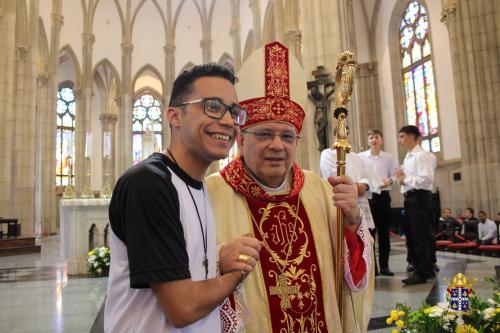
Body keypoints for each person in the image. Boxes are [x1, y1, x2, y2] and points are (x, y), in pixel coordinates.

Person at [206, 41, 372, 333]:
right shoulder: (210, 195)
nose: (277, 145)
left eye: (287, 136)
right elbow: (181, 281)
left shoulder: (320, 191)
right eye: (265, 134)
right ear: (241, 140)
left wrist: (352, 221)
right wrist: (217, 259)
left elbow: (354, 277)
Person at [104, 64, 263, 332]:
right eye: (213, 106)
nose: (227, 121)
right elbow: (182, 307)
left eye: (234, 112)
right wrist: (238, 272)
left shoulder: (199, 186)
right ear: (175, 116)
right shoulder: (149, 183)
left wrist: (220, 260)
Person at [395, 125, 436, 285]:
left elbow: (426, 179)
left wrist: (405, 179)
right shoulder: (409, 156)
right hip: (411, 198)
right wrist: (401, 177)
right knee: (413, 236)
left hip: (419, 198)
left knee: (420, 236)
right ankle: (425, 267)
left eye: (402, 136)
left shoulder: (421, 156)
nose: (400, 140)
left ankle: (422, 272)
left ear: (412, 137)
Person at [359, 129, 397, 276]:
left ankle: (385, 266)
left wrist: (391, 180)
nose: (373, 140)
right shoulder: (361, 157)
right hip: (368, 198)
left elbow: (394, 174)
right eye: (371, 138)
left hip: (383, 196)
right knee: (369, 233)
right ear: (368, 141)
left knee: (384, 233)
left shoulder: (388, 157)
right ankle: (372, 268)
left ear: (381, 140)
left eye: (376, 137)